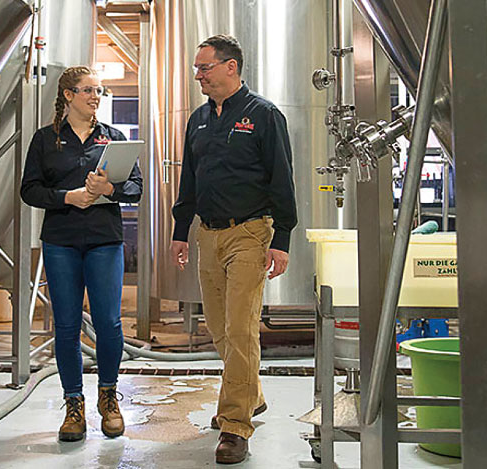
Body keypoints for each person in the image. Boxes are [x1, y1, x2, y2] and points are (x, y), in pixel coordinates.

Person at [169, 35, 297, 464]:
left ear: (231, 67)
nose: (198, 75)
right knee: (222, 330)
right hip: (208, 233)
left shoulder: (263, 116)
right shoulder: (199, 119)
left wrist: (282, 239)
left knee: (242, 329)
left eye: (204, 67)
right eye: (196, 68)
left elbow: (282, 179)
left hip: (250, 232)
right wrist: (180, 230)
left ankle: (235, 426)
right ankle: (252, 394)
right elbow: (191, 178)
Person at [21, 66, 142, 442]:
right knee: (68, 326)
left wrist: (109, 189)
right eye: (89, 90)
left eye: (99, 91)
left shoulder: (113, 139)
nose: (96, 97)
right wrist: (66, 197)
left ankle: (108, 397)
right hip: (61, 241)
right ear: (68, 95)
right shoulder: (45, 140)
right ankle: (74, 404)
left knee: (109, 322)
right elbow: (30, 190)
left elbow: (135, 188)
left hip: (104, 240)